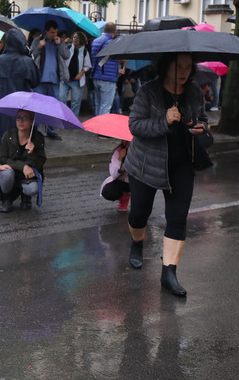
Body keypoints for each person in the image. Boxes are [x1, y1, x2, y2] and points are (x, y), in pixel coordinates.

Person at [123, 52, 213, 297]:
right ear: (166, 67)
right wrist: (163, 120)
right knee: (140, 212)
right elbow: (135, 126)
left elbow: (203, 121)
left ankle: (169, 273)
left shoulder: (194, 92)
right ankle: (137, 243)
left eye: (187, 67)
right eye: (178, 67)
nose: (184, 72)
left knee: (178, 217)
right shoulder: (148, 92)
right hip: (146, 164)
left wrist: (200, 129)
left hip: (181, 163)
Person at [0, 28, 39, 153]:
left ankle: (3, 162)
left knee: (1, 138)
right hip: (21, 106)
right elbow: (35, 82)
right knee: (20, 135)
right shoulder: (27, 61)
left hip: (1, 104)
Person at [0, 109, 46, 212]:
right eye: (18, 118)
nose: (20, 121)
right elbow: (3, 159)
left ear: (32, 122)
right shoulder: (8, 135)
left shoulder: (38, 137)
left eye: (25, 118)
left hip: (28, 177)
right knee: (6, 174)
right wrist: (23, 167)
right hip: (11, 172)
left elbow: (41, 162)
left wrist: (32, 152)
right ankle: (6, 199)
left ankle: (26, 196)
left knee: (32, 188)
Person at [31, 20, 71, 139]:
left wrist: (60, 44)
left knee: (52, 107)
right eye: (52, 32)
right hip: (40, 80)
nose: (55, 34)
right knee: (37, 106)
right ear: (46, 31)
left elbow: (66, 55)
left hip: (54, 80)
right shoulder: (37, 41)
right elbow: (32, 54)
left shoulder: (59, 42)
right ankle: (36, 130)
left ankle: (50, 130)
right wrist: (39, 47)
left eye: (56, 32)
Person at [90, 22, 121, 116]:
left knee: (98, 104)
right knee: (106, 106)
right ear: (115, 31)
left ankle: (96, 127)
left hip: (96, 75)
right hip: (108, 78)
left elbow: (96, 58)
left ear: (104, 30)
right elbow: (115, 59)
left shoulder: (95, 41)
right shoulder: (114, 43)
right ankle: (100, 130)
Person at [62, 32, 91, 118]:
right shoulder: (68, 48)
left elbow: (87, 65)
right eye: (74, 37)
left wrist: (80, 74)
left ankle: (73, 119)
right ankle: (63, 117)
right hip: (65, 79)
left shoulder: (84, 52)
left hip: (77, 80)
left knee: (75, 101)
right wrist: (64, 44)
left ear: (81, 40)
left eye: (77, 38)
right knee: (61, 98)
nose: (75, 39)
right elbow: (61, 58)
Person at [100, 140, 131, 212]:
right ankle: (124, 197)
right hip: (122, 180)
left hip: (137, 181)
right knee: (109, 192)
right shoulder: (118, 151)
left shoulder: (141, 152)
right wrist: (120, 158)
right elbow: (114, 174)